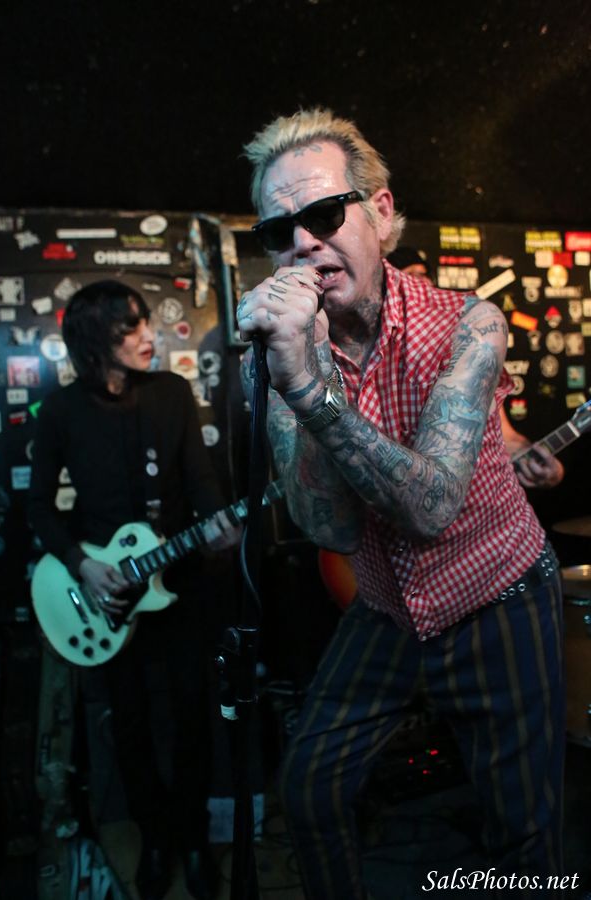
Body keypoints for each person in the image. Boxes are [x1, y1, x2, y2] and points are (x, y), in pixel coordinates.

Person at [236, 108, 565, 899]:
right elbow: (328, 525)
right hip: (387, 603)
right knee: (310, 787)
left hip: (497, 591)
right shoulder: (286, 353)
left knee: (521, 827)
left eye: (324, 214)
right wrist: (297, 372)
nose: (302, 242)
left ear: (379, 213)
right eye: (279, 230)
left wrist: (308, 395)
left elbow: (432, 507)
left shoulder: (468, 324)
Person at [28, 280, 238, 900]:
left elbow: (201, 484)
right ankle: (155, 838)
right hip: (108, 597)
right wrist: (80, 565)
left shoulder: (171, 393)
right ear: (97, 342)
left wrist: (220, 525)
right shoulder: (61, 411)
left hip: (177, 584)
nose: (150, 336)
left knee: (192, 715)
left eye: (147, 322)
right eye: (132, 328)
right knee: (130, 724)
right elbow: (38, 506)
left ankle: (193, 840)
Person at [387, 245, 565, 490]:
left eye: (425, 274)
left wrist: (539, 461)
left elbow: (506, 437)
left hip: (480, 502)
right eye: (412, 275)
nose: (424, 282)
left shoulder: (464, 345)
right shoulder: (383, 359)